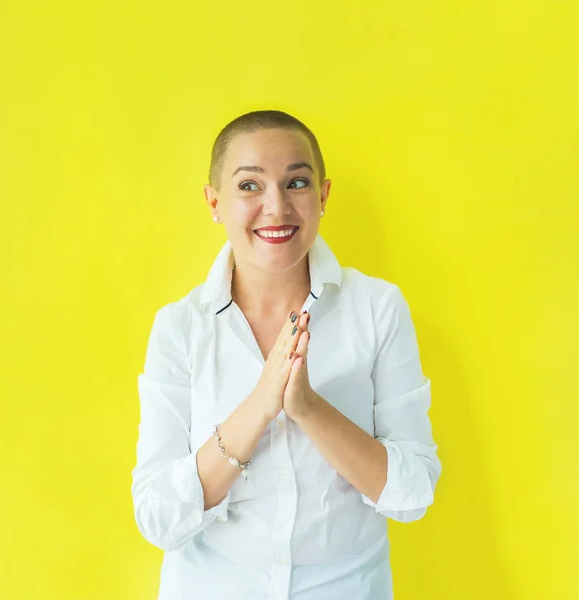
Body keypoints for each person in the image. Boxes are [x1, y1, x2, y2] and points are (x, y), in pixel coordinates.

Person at [131, 109, 442, 600]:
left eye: (296, 182)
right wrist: (259, 406)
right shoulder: (180, 327)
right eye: (250, 186)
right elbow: (158, 517)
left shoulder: (378, 309)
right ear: (215, 202)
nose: (276, 208)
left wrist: (307, 408)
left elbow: (412, 492)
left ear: (322, 196)